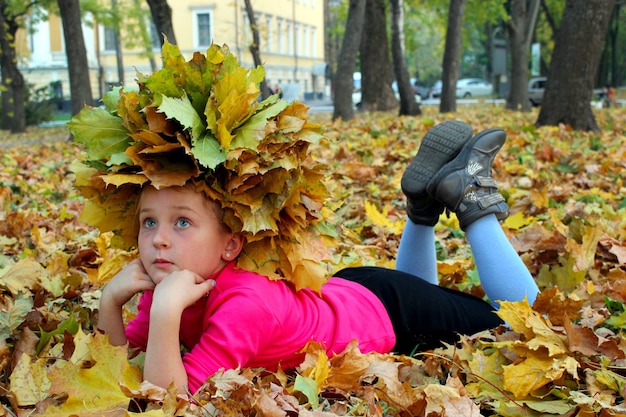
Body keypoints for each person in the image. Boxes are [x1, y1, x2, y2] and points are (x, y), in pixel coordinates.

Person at [96, 119, 540, 394]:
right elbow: (130, 360)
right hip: (352, 292)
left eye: (182, 222)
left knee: (525, 322)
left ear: (231, 245)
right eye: (149, 222)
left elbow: (170, 398)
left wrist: (167, 314)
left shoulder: (242, 305)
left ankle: (472, 200)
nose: (158, 240)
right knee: (432, 294)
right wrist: (110, 304)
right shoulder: (173, 277)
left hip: (391, 315)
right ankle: (422, 208)